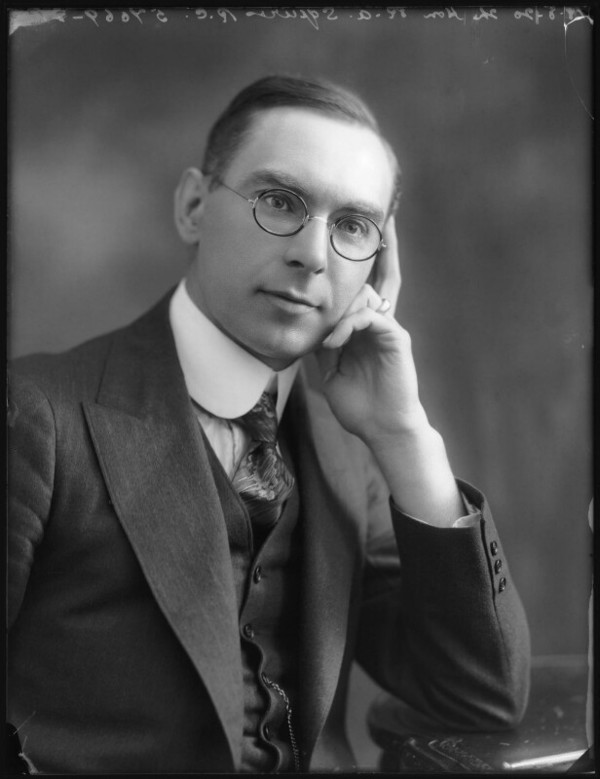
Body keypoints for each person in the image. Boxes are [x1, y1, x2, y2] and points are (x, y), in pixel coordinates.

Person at [7, 75, 531, 774]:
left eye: (352, 225)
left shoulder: (349, 447)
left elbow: (480, 694)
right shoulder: (38, 412)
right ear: (194, 205)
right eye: (279, 202)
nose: (313, 255)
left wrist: (403, 435)